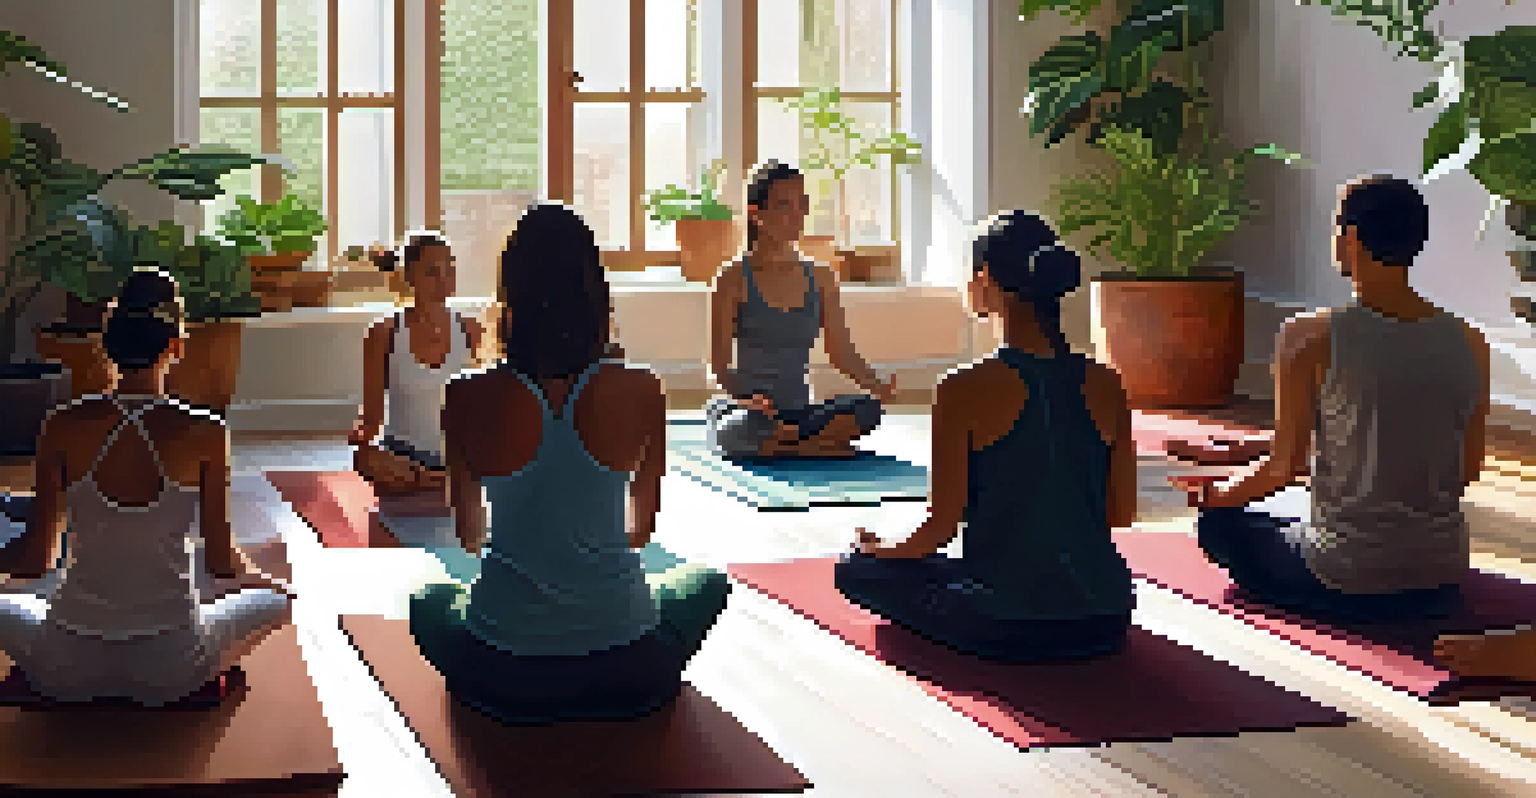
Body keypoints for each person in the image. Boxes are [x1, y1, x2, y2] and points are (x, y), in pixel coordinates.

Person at [408, 203, 732, 724]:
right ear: (595, 292)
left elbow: (470, 535)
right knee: (706, 583)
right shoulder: (644, 389)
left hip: (504, 676)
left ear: (508, 292)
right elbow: (640, 532)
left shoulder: (465, 396)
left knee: (429, 598)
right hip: (631, 671)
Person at [1173, 175, 1491, 623]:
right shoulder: (1472, 342)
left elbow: (1284, 467)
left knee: (1219, 525)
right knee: (1294, 506)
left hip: (1345, 574)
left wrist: (1216, 494)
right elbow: (1468, 469)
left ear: (1353, 237)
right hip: (1441, 571)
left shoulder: (1309, 336)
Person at [839, 211, 1137, 662]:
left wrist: (881, 548)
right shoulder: (1107, 382)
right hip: (1105, 618)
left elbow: (940, 527)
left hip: (1005, 621)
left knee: (856, 569)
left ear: (983, 279)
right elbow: (1120, 512)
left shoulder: (961, 388)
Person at [0, 269, 293, 706]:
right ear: (175, 346)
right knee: (279, 603)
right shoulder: (207, 432)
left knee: (22, 604)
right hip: (173, 668)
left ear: (107, 344)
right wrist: (266, 582)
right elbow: (221, 564)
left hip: (65, 667)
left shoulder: (61, 426)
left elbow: (36, 561)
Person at [706, 161, 896, 459]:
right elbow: (718, 365)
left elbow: (841, 352)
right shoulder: (733, 277)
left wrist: (878, 385)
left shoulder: (821, 276)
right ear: (756, 214)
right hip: (755, 413)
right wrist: (746, 399)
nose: (796, 215)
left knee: (867, 410)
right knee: (730, 425)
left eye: (802, 204)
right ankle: (808, 446)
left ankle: (788, 443)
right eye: (784, 205)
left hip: (800, 412)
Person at [350, 233, 485, 499]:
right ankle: (438, 482)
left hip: (455, 453)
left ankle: (434, 480)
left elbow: (479, 406)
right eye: (432, 272)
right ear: (409, 277)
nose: (444, 279)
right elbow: (373, 413)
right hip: (403, 455)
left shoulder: (471, 329)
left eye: (450, 269)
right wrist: (362, 434)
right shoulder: (383, 332)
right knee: (365, 460)